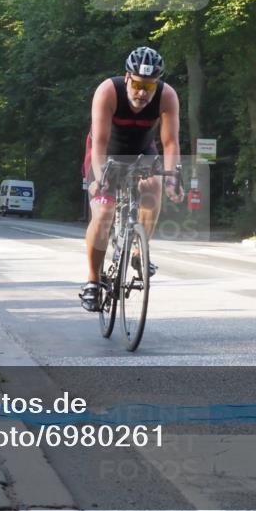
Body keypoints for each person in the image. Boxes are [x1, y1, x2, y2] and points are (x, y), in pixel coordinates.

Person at [80, 47, 184, 312]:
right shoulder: (108, 91)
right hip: (106, 152)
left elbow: (170, 143)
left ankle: (139, 249)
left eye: (149, 86)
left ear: (157, 83)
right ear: (127, 78)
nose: (142, 92)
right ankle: (92, 281)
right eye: (137, 84)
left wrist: (173, 177)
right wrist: (100, 176)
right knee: (103, 212)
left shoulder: (167, 95)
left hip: (141, 151)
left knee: (154, 185)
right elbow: (100, 142)